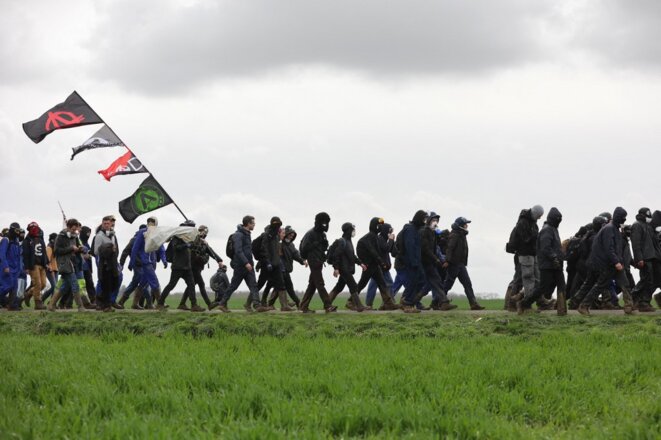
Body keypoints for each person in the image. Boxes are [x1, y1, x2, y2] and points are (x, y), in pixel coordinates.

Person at [573, 207, 634, 315]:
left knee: (625, 284)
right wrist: (616, 262)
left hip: (613, 263)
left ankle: (629, 306)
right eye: (623, 217)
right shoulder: (610, 229)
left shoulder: (614, 229)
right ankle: (584, 306)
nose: (624, 220)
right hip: (608, 264)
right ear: (618, 217)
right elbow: (609, 248)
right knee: (600, 285)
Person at [518, 208, 567, 315]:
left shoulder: (553, 229)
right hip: (548, 265)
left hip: (556, 264)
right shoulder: (547, 230)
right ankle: (524, 303)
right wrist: (554, 257)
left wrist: (561, 257)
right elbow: (545, 247)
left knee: (562, 285)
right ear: (553, 219)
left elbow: (555, 247)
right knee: (543, 287)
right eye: (557, 219)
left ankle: (562, 311)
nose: (559, 221)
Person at [214, 216, 268, 313]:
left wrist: (250, 263)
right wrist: (246, 263)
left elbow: (247, 250)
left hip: (248, 265)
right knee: (233, 286)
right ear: (248, 224)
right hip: (241, 265)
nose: (254, 224)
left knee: (253, 286)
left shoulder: (247, 234)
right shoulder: (238, 235)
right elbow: (238, 251)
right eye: (253, 223)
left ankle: (257, 305)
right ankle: (222, 304)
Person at [352, 217, 400, 310]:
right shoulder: (372, 237)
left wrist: (391, 241)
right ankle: (352, 301)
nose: (381, 227)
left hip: (375, 264)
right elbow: (374, 251)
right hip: (370, 264)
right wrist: (381, 263)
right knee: (363, 283)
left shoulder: (376, 237)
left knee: (382, 284)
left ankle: (388, 303)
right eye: (379, 225)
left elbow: (387, 251)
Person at [157, 220, 205, 312]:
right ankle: (160, 303)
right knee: (171, 285)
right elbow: (176, 248)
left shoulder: (189, 237)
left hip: (187, 266)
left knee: (191, 285)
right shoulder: (177, 237)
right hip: (178, 266)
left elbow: (193, 247)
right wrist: (186, 245)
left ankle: (194, 305)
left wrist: (194, 244)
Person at [507, 205, 549, 309]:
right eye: (539, 215)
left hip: (532, 255)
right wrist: (537, 236)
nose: (540, 218)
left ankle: (539, 301)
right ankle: (523, 304)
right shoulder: (523, 223)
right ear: (535, 213)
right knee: (526, 279)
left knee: (536, 279)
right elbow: (526, 239)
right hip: (525, 255)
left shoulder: (532, 223)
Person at [297, 213, 338, 313]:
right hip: (313, 261)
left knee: (312, 284)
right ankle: (328, 305)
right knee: (320, 283)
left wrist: (324, 246)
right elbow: (304, 249)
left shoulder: (322, 234)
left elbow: (323, 248)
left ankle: (303, 306)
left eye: (326, 222)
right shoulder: (310, 234)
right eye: (323, 222)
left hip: (319, 261)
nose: (325, 225)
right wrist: (315, 244)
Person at [443, 217, 484, 310]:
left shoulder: (462, 234)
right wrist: (447, 261)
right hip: (453, 263)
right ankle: (439, 302)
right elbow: (450, 248)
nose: (467, 225)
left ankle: (473, 304)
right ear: (460, 225)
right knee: (448, 285)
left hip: (461, 264)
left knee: (467, 283)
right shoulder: (455, 235)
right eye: (465, 224)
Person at [327, 222, 369, 312]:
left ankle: (327, 303)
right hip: (344, 269)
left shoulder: (349, 241)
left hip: (347, 269)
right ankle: (359, 306)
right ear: (349, 230)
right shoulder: (342, 241)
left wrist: (360, 263)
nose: (354, 232)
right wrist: (336, 268)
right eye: (352, 230)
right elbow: (336, 256)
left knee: (339, 287)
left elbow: (352, 256)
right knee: (353, 286)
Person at [419, 212, 456, 311]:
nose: (435, 222)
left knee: (437, 282)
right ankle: (409, 301)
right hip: (423, 262)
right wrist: (435, 258)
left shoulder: (433, 233)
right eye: (433, 220)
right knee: (421, 284)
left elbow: (435, 248)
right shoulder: (424, 231)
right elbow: (425, 248)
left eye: (436, 220)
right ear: (429, 221)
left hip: (431, 263)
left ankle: (444, 302)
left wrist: (438, 259)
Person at [48, 219, 86, 311]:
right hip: (64, 264)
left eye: (76, 229)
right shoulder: (60, 237)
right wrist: (70, 248)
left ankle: (51, 305)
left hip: (72, 264)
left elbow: (77, 247)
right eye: (73, 229)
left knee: (64, 287)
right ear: (68, 227)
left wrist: (80, 249)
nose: (74, 231)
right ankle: (80, 307)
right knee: (74, 284)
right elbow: (57, 251)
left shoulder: (75, 236)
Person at [257, 217, 294, 311]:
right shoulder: (266, 235)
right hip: (267, 264)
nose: (277, 226)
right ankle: (249, 303)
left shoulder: (277, 237)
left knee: (281, 284)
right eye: (276, 223)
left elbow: (276, 251)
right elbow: (264, 249)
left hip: (276, 264)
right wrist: (267, 262)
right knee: (261, 283)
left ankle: (284, 306)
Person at [184, 225, 225, 310]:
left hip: (198, 266)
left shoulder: (204, 243)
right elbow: (192, 248)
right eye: (201, 231)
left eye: (204, 231)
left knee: (191, 285)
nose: (203, 233)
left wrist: (219, 260)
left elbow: (210, 251)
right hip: (193, 266)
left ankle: (182, 303)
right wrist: (198, 240)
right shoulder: (194, 239)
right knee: (201, 284)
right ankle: (209, 304)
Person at [130, 217, 167, 310]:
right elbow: (135, 248)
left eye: (152, 223)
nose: (150, 224)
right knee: (155, 282)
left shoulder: (157, 233)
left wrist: (164, 260)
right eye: (149, 223)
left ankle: (134, 303)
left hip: (153, 262)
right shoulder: (142, 233)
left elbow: (161, 248)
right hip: (145, 262)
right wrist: (132, 262)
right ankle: (160, 303)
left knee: (143, 283)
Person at [630, 208, 661, 312]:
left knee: (649, 280)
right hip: (644, 257)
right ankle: (633, 297)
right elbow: (636, 244)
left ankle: (643, 302)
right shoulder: (637, 225)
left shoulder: (647, 227)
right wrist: (639, 258)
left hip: (651, 257)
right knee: (645, 279)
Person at [365, 222, 396, 309]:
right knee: (381, 284)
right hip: (380, 267)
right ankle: (371, 304)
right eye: (389, 230)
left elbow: (391, 251)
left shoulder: (384, 239)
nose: (391, 232)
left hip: (383, 267)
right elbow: (386, 249)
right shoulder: (380, 239)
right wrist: (391, 240)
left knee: (382, 284)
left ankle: (385, 304)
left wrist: (392, 241)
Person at [22, 222, 48, 310]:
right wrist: (26, 267)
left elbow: (44, 253)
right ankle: (38, 303)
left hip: (42, 265)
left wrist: (47, 263)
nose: (35, 230)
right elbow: (25, 255)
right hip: (33, 265)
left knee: (43, 284)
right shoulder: (27, 241)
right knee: (38, 284)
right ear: (29, 229)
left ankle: (28, 293)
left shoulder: (41, 239)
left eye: (36, 228)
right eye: (33, 228)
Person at [0, 222, 24, 310]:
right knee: (6, 287)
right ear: (12, 229)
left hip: (15, 269)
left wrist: (19, 269)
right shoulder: (6, 240)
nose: (18, 233)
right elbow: (2, 254)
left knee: (14, 287)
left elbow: (18, 256)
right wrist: (5, 266)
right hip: (7, 268)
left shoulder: (16, 241)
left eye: (19, 231)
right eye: (16, 230)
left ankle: (12, 305)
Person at [96, 242, 119, 312]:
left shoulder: (107, 254)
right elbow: (114, 265)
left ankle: (102, 303)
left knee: (107, 290)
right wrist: (116, 274)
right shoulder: (111, 253)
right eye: (113, 248)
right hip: (107, 272)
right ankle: (106, 306)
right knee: (107, 290)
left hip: (107, 272)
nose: (115, 249)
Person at [42, 232, 59, 304]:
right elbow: (47, 260)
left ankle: (52, 303)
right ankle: (42, 299)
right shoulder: (49, 248)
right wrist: (50, 269)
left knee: (55, 288)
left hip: (56, 269)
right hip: (50, 270)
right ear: (53, 239)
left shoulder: (54, 247)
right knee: (54, 286)